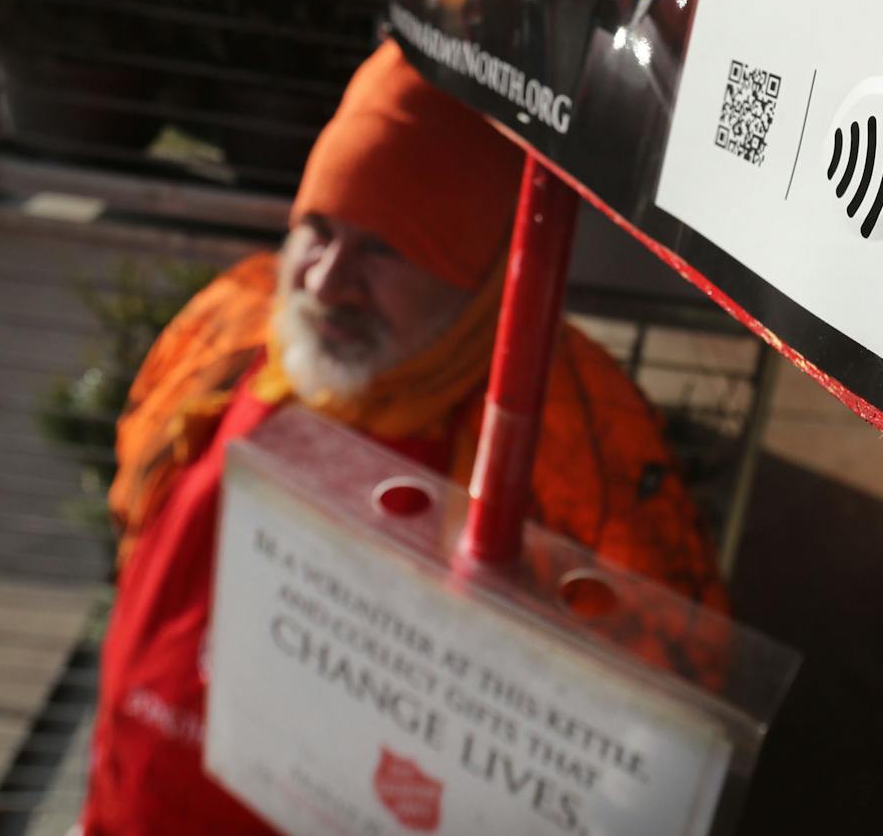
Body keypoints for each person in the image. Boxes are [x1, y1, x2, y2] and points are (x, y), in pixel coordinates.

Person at [79, 41, 726, 834]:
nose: (323, 283)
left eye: (384, 249)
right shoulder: (233, 329)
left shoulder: (570, 445)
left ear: (481, 277)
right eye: (317, 229)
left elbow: (649, 724)